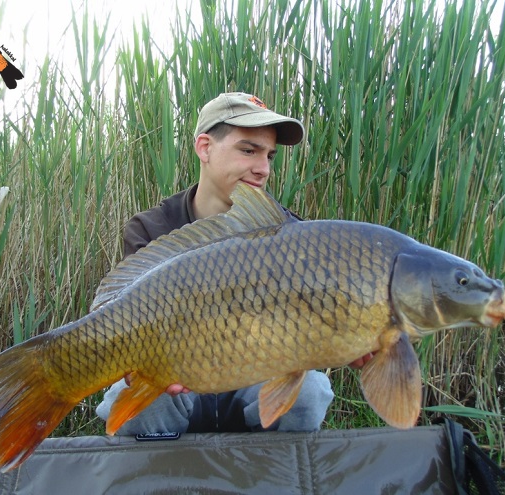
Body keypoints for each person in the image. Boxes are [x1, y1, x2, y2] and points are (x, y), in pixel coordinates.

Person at [95, 92, 372, 435]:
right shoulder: (152, 229)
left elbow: (313, 322)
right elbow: (122, 322)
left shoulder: (290, 236)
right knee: (139, 401)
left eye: (269, 155)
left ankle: (266, 479)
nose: (264, 168)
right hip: (178, 384)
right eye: (248, 150)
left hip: (253, 386)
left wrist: (348, 339)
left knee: (310, 392)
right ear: (205, 147)